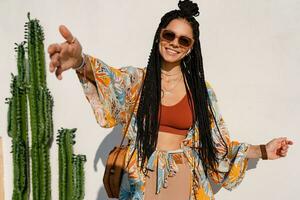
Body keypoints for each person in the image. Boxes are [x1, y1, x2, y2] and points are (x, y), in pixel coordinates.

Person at [47, 1, 293, 199]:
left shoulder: (200, 92)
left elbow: (218, 145)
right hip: (140, 177)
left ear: (190, 47)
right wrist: (80, 62)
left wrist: (262, 150)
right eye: (169, 35)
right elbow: (110, 80)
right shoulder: (137, 81)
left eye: (183, 40)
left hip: (184, 179)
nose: (175, 43)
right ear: (159, 37)